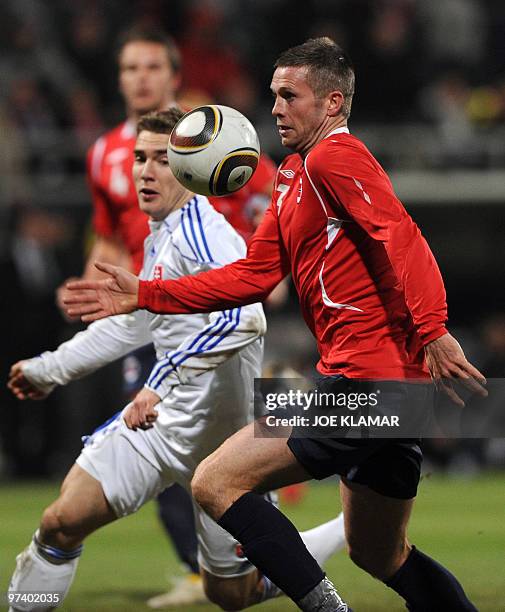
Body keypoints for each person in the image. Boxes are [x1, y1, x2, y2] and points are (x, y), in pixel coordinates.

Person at [64, 38, 487, 612]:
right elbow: (251, 277)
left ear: (333, 102)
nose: (277, 108)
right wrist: (146, 292)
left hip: (368, 383)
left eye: (291, 96)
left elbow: (400, 233)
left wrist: (434, 328)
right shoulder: (293, 175)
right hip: (380, 387)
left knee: (214, 482)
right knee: (379, 554)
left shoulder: (337, 156)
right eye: (274, 96)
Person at [7, 110, 344, 612]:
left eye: (163, 159)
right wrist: (49, 369)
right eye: (139, 158)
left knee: (232, 594)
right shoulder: (161, 234)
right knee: (61, 521)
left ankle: (345, 528)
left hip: (223, 449)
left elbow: (244, 320)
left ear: (192, 169)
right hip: (159, 432)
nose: (145, 170)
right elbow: (137, 324)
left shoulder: (206, 236)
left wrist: (159, 381)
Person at [58, 26, 281, 609]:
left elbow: (270, 201)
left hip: (212, 308)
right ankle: (201, 560)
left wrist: (265, 270)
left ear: (173, 76)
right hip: (144, 309)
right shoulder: (105, 152)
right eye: (130, 68)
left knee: (211, 436)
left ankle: (246, 538)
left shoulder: (212, 138)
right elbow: (108, 235)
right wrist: (93, 292)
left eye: (152, 67)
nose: (141, 79)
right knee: (151, 428)